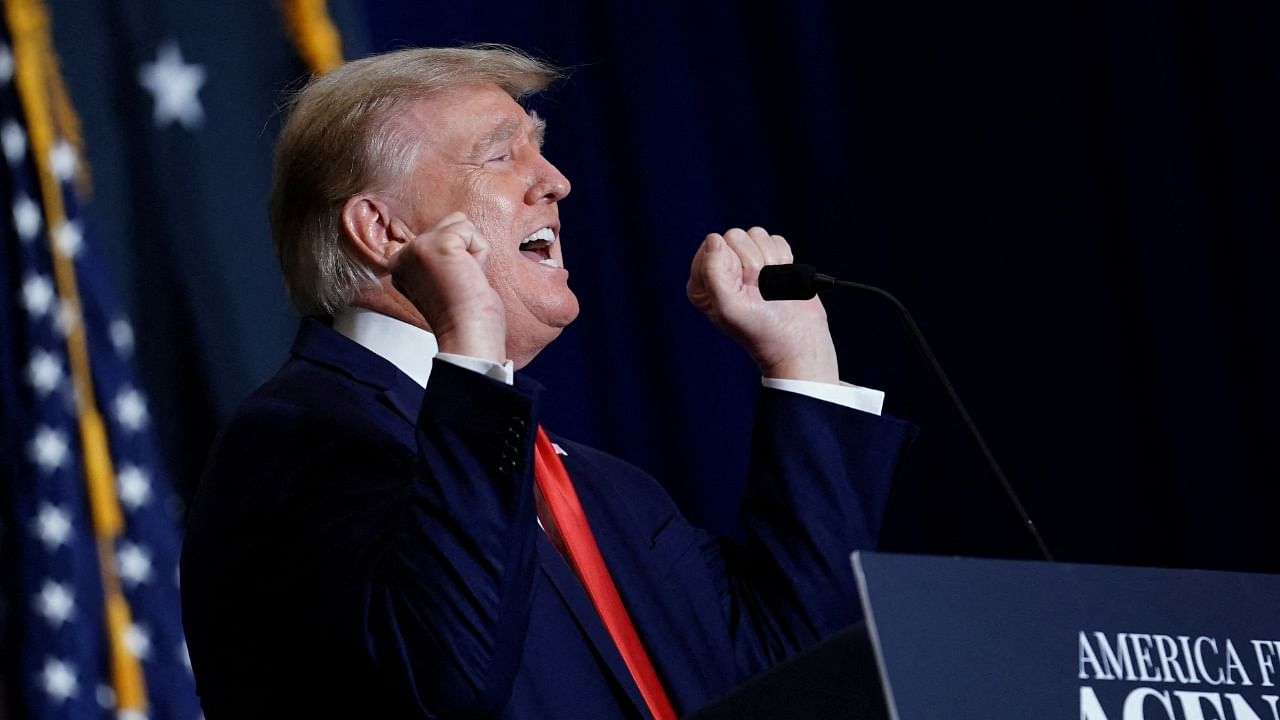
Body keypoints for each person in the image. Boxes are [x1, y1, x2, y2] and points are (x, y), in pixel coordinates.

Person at [180, 45, 915, 719]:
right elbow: (449, 683)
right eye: (501, 155)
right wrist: (469, 347)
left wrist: (800, 364)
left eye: (543, 151)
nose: (556, 182)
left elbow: (795, 674)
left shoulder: (602, 490)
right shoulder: (294, 439)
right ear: (383, 231)